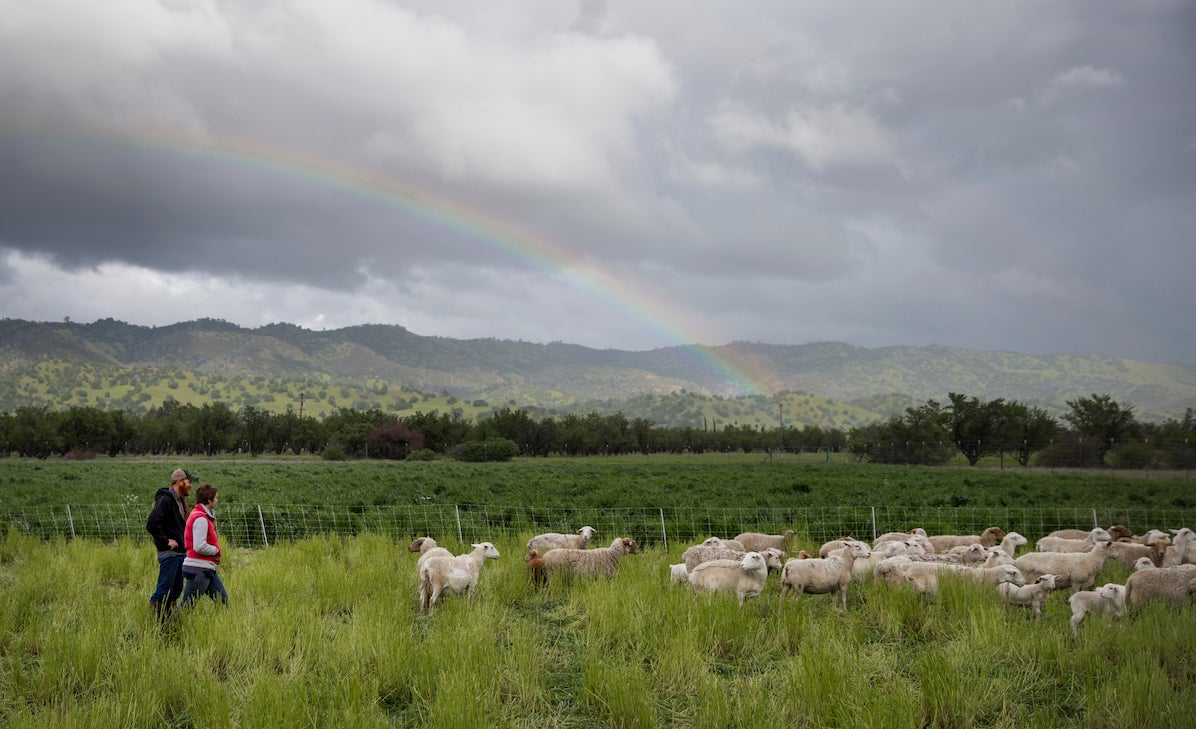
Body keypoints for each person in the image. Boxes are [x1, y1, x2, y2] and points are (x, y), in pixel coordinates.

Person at [146, 468, 195, 620]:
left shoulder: (179, 501)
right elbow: (152, 523)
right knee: (164, 590)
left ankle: (167, 620)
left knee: (176, 589)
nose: (190, 485)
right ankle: (156, 622)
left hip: (179, 553)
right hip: (169, 554)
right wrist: (165, 540)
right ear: (180, 482)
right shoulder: (166, 500)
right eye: (189, 482)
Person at [178, 482, 228, 609]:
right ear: (209, 499)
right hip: (199, 569)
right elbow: (199, 546)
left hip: (206, 568)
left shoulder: (202, 515)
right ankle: (167, 628)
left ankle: (221, 627)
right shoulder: (201, 518)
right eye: (216, 497)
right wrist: (215, 550)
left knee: (222, 601)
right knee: (187, 606)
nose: (217, 500)